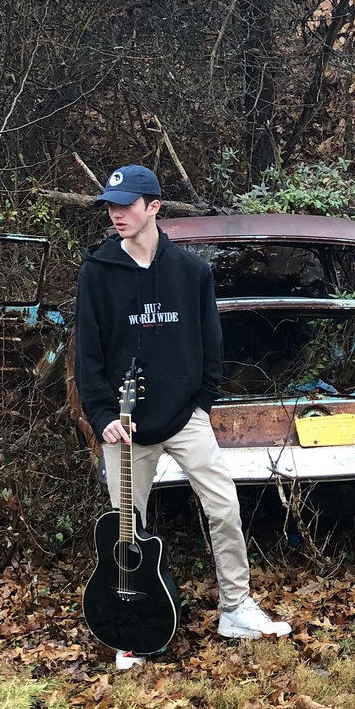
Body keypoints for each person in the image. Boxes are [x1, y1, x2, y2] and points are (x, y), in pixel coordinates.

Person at [74, 164, 291, 667]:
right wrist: (101, 415)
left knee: (224, 505)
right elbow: (87, 353)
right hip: (124, 426)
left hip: (185, 417)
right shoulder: (98, 272)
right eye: (110, 206)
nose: (116, 214)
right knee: (127, 529)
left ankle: (236, 608)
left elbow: (212, 344)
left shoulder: (191, 272)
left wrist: (201, 404)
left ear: (153, 207)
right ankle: (132, 630)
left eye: (126, 205)